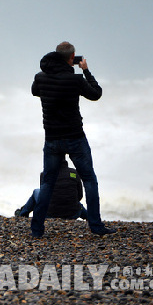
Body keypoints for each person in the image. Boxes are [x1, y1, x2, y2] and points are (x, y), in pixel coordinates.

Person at [30, 41, 116, 238]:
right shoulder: (75, 79)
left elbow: (35, 91)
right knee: (89, 179)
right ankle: (95, 226)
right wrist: (86, 71)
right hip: (75, 137)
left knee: (48, 184)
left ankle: (37, 230)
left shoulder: (41, 77)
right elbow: (96, 94)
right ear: (72, 58)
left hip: (52, 139)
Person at [15, 158, 88, 220]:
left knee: (36, 192)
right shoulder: (74, 173)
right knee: (77, 205)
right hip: (73, 214)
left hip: (49, 214)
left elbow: (43, 196)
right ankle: (89, 218)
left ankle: (22, 214)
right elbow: (80, 196)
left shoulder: (45, 174)